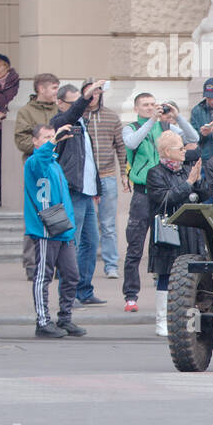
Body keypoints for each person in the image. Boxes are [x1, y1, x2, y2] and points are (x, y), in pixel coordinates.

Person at [121, 92, 199, 313]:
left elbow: (193, 139)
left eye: (153, 104)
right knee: (135, 245)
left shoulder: (166, 128)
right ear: (137, 108)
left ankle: (161, 285)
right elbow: (132, 143)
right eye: (145, 105)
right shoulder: (132, 128)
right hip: (142, 194)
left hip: (165, 193)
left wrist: (177, 117)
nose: (150, 108)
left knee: (165, 243)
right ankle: (130, 296)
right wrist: (153, 121)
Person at [24, 124, 86, 338]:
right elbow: (40, 158)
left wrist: (71, 227)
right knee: (44, 275)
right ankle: (43, 322)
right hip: (45, 229)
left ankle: (65, 318)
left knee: (72, 275)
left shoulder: (55, 164)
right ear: (35, 141)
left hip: (63, 229)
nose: (52, 139)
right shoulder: (34, 162)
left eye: (53, 136)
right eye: (46, 137)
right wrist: (54, 141)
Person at [147, 131, 210, 336]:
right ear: (167, 151)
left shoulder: (186, 171)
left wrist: (198, 181)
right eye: (180, 148)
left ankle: (194, 324)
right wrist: (188, 183)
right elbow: (165, 199)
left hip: (191, 231)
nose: (184, 152)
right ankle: (163, 322)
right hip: (170, 233)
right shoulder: (155, 173)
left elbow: (204, 195)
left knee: (194, 278)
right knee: (166, 276)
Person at [50, 82, 105, 307]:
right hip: (72, 191)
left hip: (87, 191)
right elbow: (71, 115)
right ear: (60, 103)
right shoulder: (61, 123)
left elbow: (90, 161)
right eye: (76, 102)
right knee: (69, 244)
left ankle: (84, 290)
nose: (83, 106)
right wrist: (84, 98)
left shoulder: (83, 124)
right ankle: (68, 293)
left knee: (91, 243)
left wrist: (97, 188)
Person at [14, 73, 61, 281]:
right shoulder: (26, 111)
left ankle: (56, 263)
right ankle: (32, 264)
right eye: (53, 88)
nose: (56, 92)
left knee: (58, 214)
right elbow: (21, 140)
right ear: (40, 89)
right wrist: (43, 146)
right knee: (34, 216)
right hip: (35, 171)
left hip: (57, 168)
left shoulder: (60, 110)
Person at [82, 80, 128, 280]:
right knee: (84, 226)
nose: (93, 97)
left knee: (108, 224)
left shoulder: (111, 116)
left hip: (107, 176)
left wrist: (124, 175)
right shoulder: (78, 117)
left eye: (96, 93)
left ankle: (111, 265)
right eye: (89, 93)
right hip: (84, 180)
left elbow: (120, 147)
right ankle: (83, 267)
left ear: (101, 95)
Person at [0, 53, 20, 206]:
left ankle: (2, 196)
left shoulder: (17, 83)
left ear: (7, 67)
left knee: (4, 163)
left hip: (9, 128)